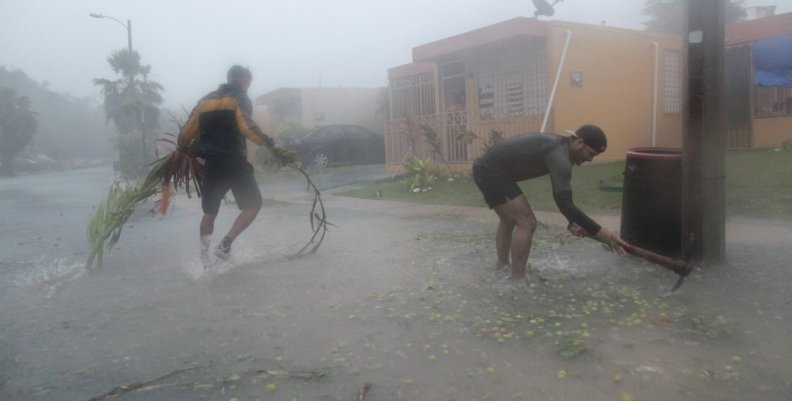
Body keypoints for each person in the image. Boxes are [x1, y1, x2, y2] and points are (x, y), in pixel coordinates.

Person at [472, 124, 625, 282]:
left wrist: (572, 222)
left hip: (486, 168)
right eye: (591, 153)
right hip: (489, 170)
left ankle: (503, 267)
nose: (590, 159)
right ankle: (517, 281)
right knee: (526, 222)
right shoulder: (560, 155)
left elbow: (563, 201)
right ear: (579, 142)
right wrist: (602, 232)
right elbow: (564, 203)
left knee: (509, 220)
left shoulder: (560, 149)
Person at [178, 65, 295, 267]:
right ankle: (225, 244)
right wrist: (271, 145)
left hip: (212, 164)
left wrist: (183, 147)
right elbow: (246, 127)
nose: (248, 88)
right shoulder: (238, 98)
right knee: (253, 204)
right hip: (234, 161)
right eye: (248, 83)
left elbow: (187, 132)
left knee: (210, 212)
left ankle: (204, 261)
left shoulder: (206, 101)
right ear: (242, 81)